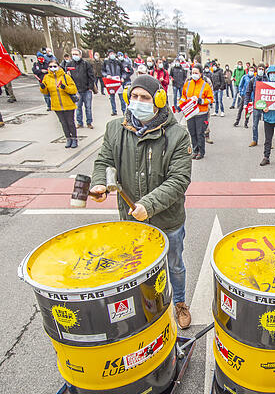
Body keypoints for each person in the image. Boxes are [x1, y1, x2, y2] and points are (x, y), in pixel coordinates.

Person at [89, 75, 193, 328]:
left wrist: (148, 204)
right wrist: (99, 182)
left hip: (168, 221)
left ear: (158, 100)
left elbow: (179, 180)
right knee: (136, 268)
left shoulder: (178, 135)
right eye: (133, 96)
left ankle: (179, 302)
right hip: (132, 221)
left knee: (175, 266)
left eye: (144, 97)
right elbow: (104, 162)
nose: (137, 102)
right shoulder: (115, 128)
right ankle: (146, 309)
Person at [40, 59, 79, 148]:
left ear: (58, 67)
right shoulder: (47, 78)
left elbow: (73, 89)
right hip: (57, 105)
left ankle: (74, 139)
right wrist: (42, 88)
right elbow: (45, 92)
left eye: (54, 66)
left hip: (68, 104)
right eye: (50, 67)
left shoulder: (65, 76)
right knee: (63, 123)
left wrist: (64, 87)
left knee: (70, 122)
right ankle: (68, 138)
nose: (52, 68)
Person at [181, 65, 214, 159]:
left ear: (201, 74)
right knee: (192, 133)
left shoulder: (205, 85)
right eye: (192, 73)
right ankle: (195, 151)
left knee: (200, 133)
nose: (194, 75)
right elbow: (184, 96)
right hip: (190, 113)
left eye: (196, 73)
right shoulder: (187, 84)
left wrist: (201, 100)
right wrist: (180, 105)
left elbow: (211, 99)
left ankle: (201, 152)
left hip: (201, 113)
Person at [64, 48, 96, 129]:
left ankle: (89, 122)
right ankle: (79, 122)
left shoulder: (86, 64)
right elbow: (66, 78)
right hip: (76, 90)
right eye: (73, 54)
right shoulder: (69, 65)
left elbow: (91, 76)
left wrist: (90, 87)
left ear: (80, 55)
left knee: (88, 107)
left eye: (76, 54)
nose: (75, 56)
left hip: (86, 90)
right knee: (78, 108)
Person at [243, 63, 267, 146]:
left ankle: (268, 142)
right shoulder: (253, 80)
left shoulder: (268, 80)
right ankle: (254, 140)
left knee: (268, 124)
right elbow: (248, 92)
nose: (261, 70)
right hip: (256, 104)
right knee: (255, 124)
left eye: (262, 69)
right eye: (259, 69)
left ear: (264, 70)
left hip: (266, 105)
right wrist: (246, 103)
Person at [103, 50, 126, 116]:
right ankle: (114, 110)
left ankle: (124, 111)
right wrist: (106, 75)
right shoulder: (106, 62)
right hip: (110, 82)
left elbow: (123, 71)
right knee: (112, 97)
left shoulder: (118, 62)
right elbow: (103, 71)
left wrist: (122, 77)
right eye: (111, 54)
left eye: (113, 53)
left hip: (118, 81)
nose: (112, 55)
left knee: (121, 97)